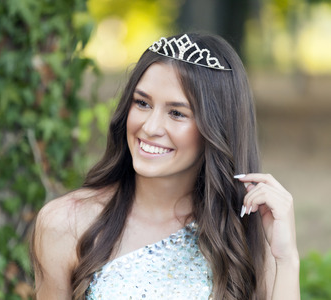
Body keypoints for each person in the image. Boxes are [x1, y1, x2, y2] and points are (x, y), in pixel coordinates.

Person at [30, 32, 300, 300]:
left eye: (176, 113)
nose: (150, 127)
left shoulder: (247, 236)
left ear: (217, 128)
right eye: (142, 103)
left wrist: (286, 261)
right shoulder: (66, 223)